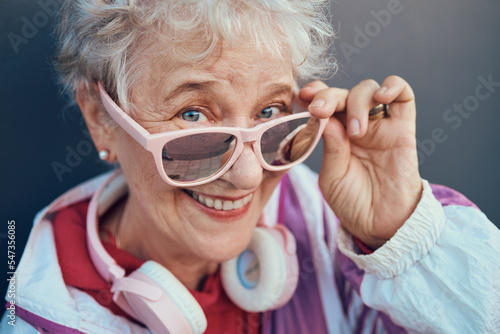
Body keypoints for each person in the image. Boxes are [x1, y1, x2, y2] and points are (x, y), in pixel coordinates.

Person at [2, 0, 499, 333]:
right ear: (100, 119)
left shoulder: (330, 226)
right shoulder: (38, 315)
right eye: (193, 115)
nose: (249, 175)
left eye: (270, 112)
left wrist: (401, 231)